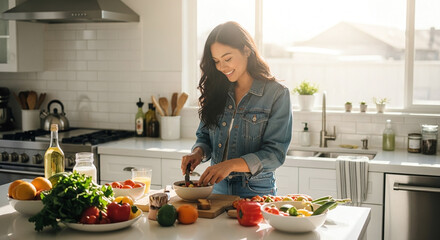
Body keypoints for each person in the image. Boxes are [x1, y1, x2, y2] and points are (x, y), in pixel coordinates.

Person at [181, 21, 292, 198]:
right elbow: (204, 137)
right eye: (216, 61)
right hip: (216, 189)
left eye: (228, 58)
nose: (222, 67)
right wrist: (198, 153)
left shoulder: (276, 94)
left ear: (246, 50)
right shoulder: (216, 91)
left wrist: (232, 164)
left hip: (256, 191)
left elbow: (275, 154)